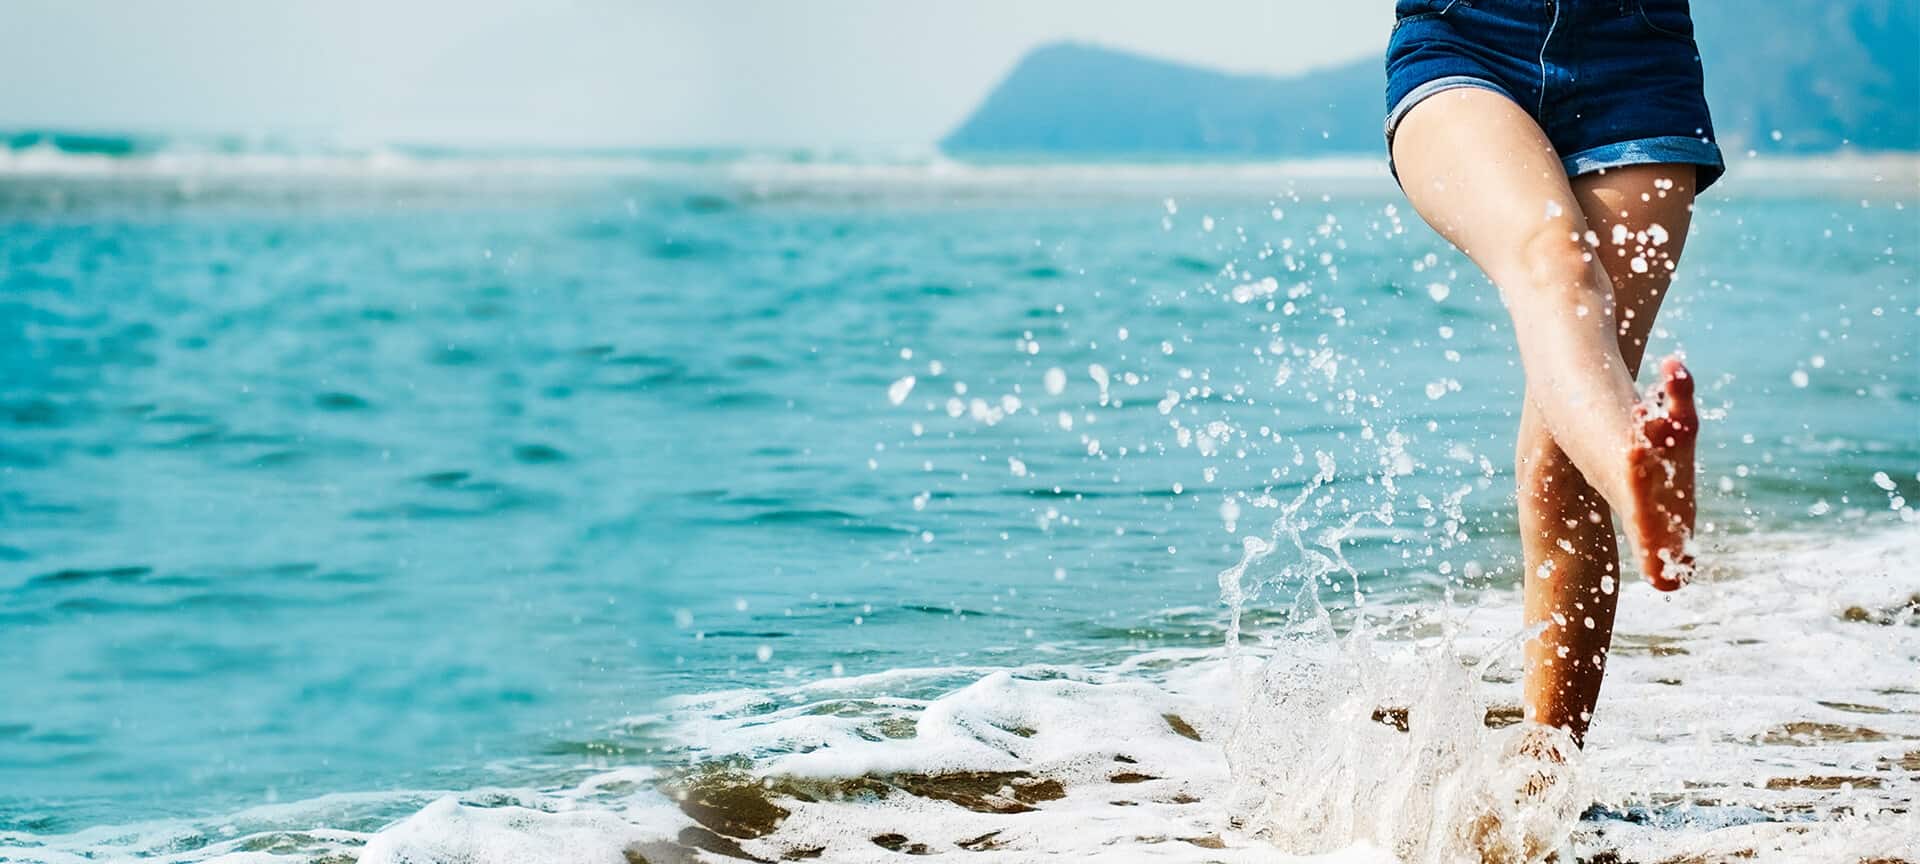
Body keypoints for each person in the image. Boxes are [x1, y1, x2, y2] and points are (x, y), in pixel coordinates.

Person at [1384, 0, 1718, 747]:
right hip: (1463, 44)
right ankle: (1637, 485)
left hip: (1639, 61)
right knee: (1553, 257)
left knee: (1560, 465)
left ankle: (1545, 777)